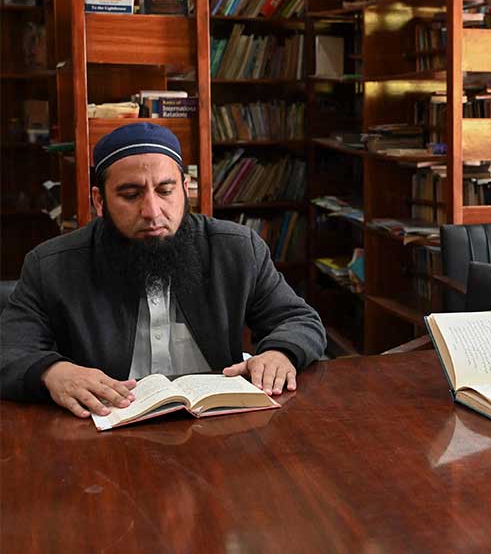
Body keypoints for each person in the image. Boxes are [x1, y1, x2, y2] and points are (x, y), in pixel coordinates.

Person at [0, 122, 326, 418]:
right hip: (104, 430)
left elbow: (297, 319)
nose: (152, 211)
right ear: (100, 201)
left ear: (185, 189)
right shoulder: (51, 264)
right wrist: (52, 371)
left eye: (166, 191)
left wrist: (280, 353)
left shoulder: (236, 248)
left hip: (216, 425)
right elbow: (10, 349)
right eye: (131, 194)